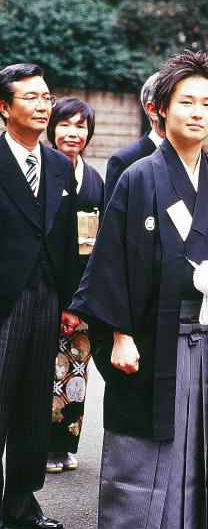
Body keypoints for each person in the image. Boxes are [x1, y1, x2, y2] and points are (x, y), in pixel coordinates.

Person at [71, 50, 208, 529]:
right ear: (160, 109)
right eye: (188, 102)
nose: (199, 113)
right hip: (152, 338)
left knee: (195, 448)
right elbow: (113, 262)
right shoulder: (138, 178)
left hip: (207, 336)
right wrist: (120, 334)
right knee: (142, 451)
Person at [0, 63, 80, 529]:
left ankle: (21, 502)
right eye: (30, 97)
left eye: (46, 97)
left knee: (35, 401)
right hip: (4, 296)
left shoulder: (57, 164)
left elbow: (67, 238)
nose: (42, 105)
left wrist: (70, 301)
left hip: (47, 295)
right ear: (4, 107)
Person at [45, 97, 104, 473]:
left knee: (76, 371)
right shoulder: (45, 171)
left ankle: (65, 444)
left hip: (84, 292)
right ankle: (40, 445)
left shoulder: (95, 178)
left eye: (81, 126)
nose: (73, 132)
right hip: (50, 287)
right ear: (52, 129)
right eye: (65, 124)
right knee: (46, 371)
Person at [104, 71, 164, 205]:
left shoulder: (200, 162)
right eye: (184, 102)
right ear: (153, 110)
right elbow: (112, 222)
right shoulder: (124, 161)